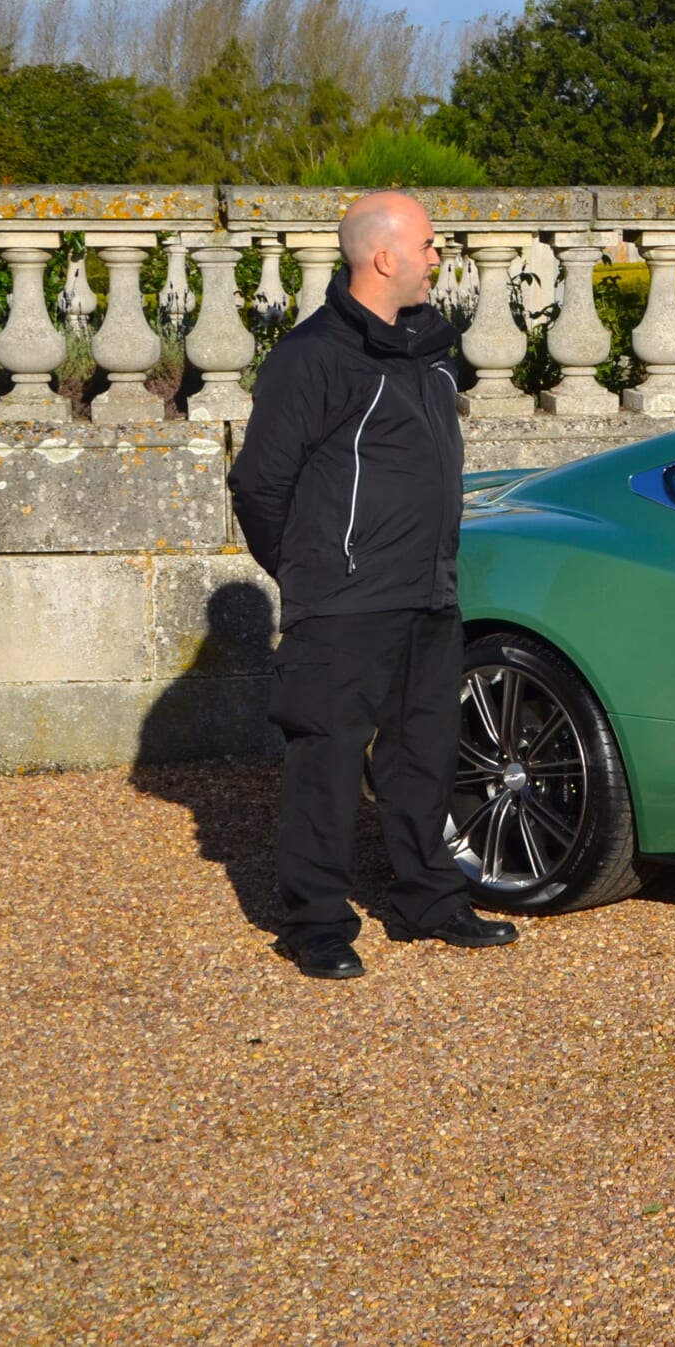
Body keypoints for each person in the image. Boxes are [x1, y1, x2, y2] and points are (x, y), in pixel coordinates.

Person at [227, 192, 518, 979]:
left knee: (423, 752)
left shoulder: (427, 351)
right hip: (344, 601)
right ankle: (316, 921)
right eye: (427, 244)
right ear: (383, 256)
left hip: (428, 592)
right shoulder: (311, 357)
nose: (436, 256)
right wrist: (310, 568)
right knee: (325, 757)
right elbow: (259, 484)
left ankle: (429, 898)